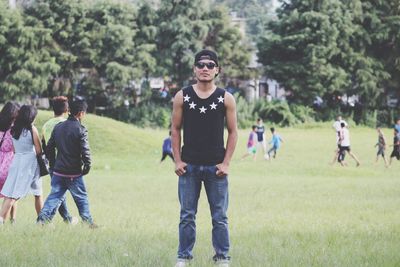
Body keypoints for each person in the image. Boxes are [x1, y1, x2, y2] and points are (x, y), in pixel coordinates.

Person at [171, 49, 237, 267]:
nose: (205, 69)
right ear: (194, 69)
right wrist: (177, 161)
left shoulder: (226, 98)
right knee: (187, 216)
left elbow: (233, 132)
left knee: (219, 216)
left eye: (210, 65)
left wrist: (226, 163)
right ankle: (184, 257)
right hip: (189, 167)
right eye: (201, 65)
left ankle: (222, 257)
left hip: (216, 168)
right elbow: (175, 129)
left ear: (217, 70)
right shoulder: (182, 95)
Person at [37, 100, 96, 228]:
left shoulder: (58, 127)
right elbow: (86, 151)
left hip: (58, 170)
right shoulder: (81, 129)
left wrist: (53, 164)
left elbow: (49, 147)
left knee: (54, 197)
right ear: (80, 113)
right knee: (81, 198)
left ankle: (41, 220)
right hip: (73, 172)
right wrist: (87, 166)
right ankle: (88, 223)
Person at [0, 105, 43, 223]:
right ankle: (42, 219)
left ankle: (2, 218)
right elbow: (39, 151)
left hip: (16, 161)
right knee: (36, 193)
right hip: (30, 164)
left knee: (10, 193)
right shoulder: (32, 129)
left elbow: (14, 150)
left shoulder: (14, 129)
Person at [41, 96, 76, 223]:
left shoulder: (46, 125)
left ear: (53, 109)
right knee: (59, 193)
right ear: (67, 110)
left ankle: (67, 218)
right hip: (66, 164)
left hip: (52, 164)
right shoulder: (69, 124)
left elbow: (44, 146)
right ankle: (45, 219)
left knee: (58, 190)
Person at [0, 102, 20, 223]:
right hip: (8, 163)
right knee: (11, 195)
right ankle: (8, 220)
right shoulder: (14, 130)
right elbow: (15, 148)